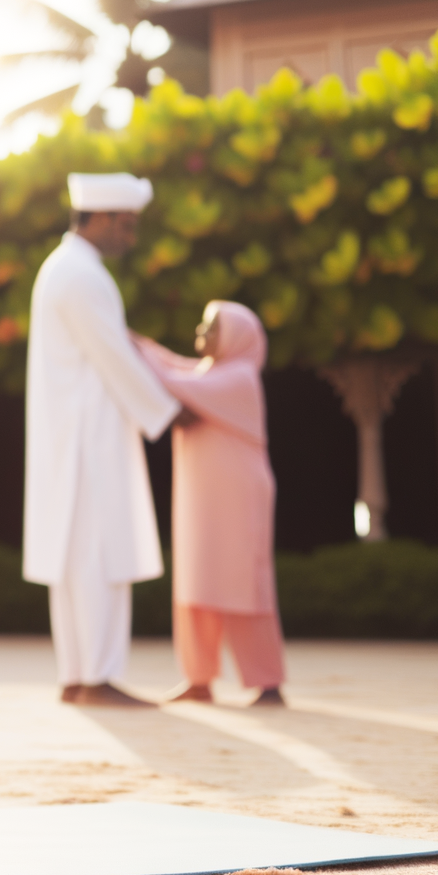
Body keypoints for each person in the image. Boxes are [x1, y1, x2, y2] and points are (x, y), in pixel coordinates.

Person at [23, 172, 180, 708]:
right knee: (99, 555)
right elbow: (116, 357)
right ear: (105, 218)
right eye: (128, 225)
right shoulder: (83, 276)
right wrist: (170, 412)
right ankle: (98, 678)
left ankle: (79, 675)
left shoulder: (63, 268)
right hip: (90, 438)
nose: (132, 237)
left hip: (73, 437)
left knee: (76, 559)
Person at [134, 301, 286, 706]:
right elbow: (176, 366)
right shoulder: (210, 373)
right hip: (202, 499)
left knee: (243, 583)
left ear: (235, 337)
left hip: (238, 496)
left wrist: (132, 348)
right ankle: (198, 679)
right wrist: (140, 345)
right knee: (197, 580)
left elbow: (171, 378)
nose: (201, 331)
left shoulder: (239, 378)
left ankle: (267, 682)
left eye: (212, 326)